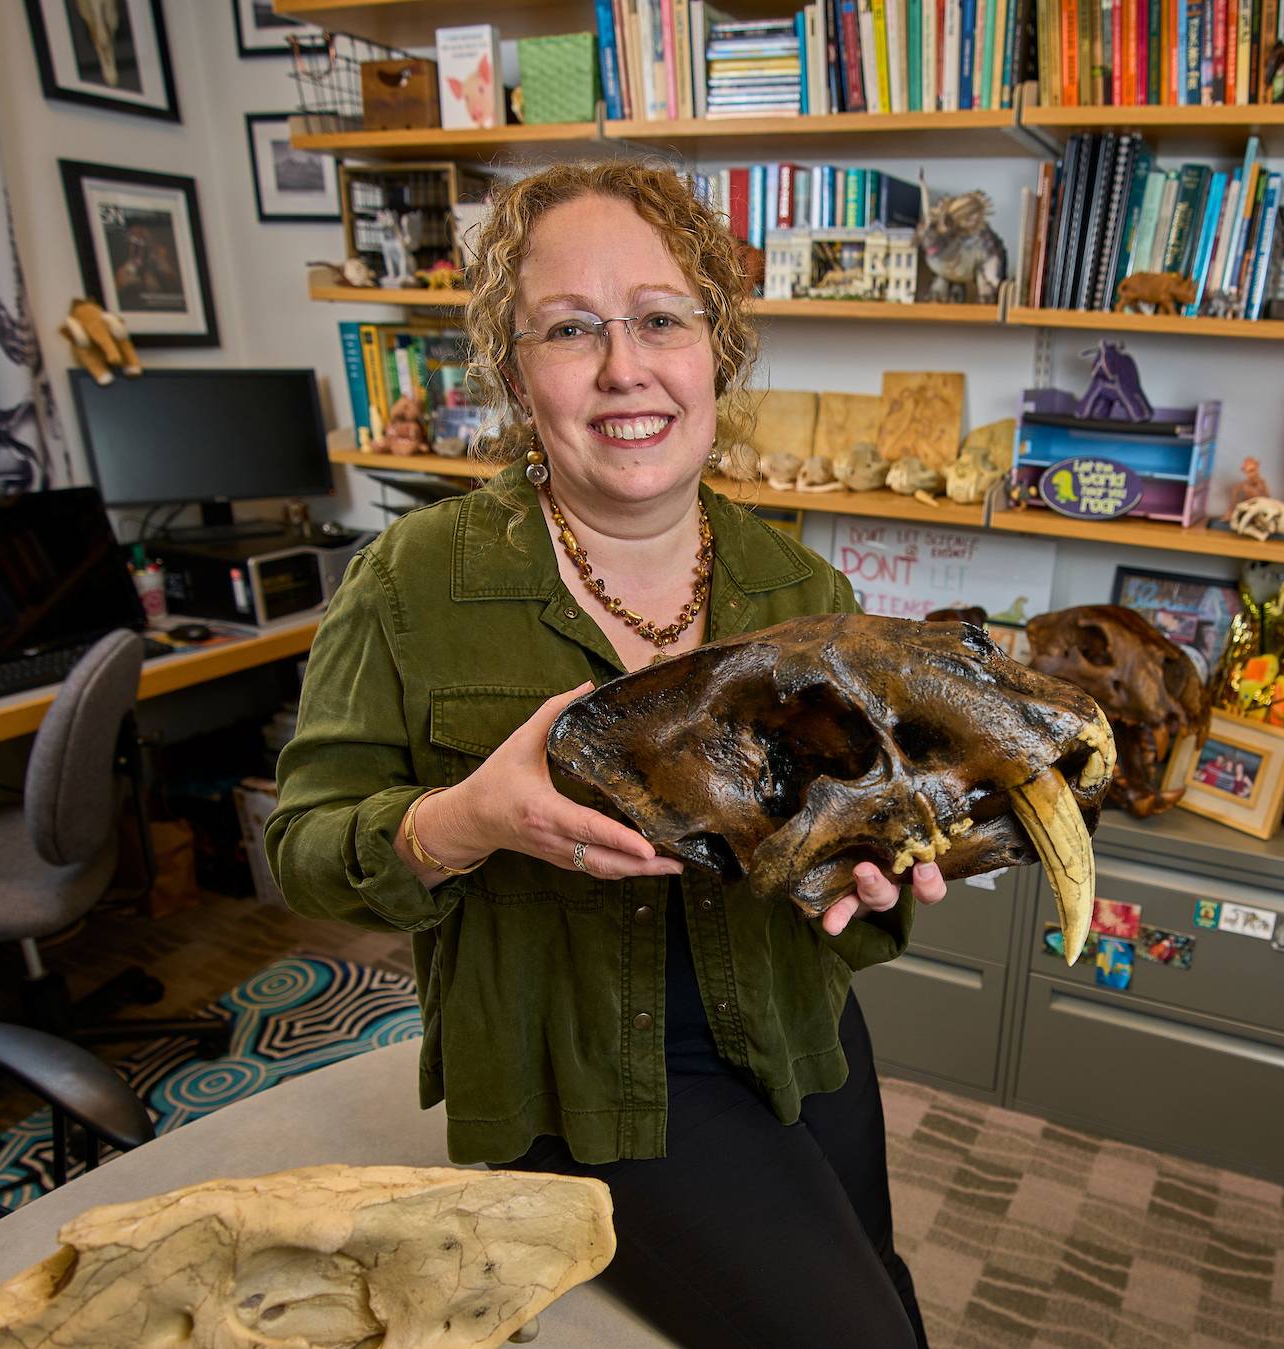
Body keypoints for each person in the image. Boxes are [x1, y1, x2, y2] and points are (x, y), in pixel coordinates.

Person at [267, 161, 939, 1348]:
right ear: (515, 369)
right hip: (581, 1075)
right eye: (570, 329)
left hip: (794, 1026)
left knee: (888, 1297)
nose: (623, 367)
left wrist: (869, 861)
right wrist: (466, 819)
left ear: (713, 347)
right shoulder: (413, 580)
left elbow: (861, 874)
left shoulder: (802, 588)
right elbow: (305, 854)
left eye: (659, 318)